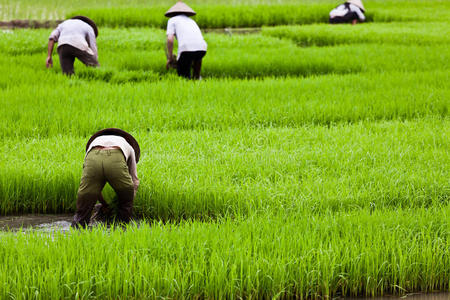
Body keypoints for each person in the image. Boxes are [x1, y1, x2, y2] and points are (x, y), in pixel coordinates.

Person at [72, 128, 140, 228]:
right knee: (126, 199)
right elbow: (135, 181)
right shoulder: (128, 146)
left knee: (85, 204)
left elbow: (94, 188)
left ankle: (77, 230)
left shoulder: (94, 143)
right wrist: (128, 199)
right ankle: (122, 230)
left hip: (93, 156)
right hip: (116, 156)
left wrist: (104, 204)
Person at [165, 1, 207, 79]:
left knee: (184, 77)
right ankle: (197, 77)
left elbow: (170, 39)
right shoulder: (192, 21)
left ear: (173, 13)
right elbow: (197, 41)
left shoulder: (172, 20)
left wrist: (170, 58)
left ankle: (188, 82)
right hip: (202, 49)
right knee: (195, 76)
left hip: (186, 49)